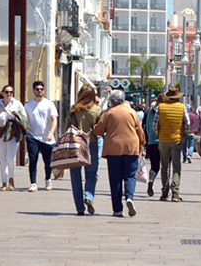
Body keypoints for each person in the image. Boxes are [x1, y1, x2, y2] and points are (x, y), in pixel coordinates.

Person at [93, 89, 146, 218]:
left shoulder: (108, 113)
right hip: (131, 147)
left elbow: (99, 131)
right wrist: (142, 144)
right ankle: (129, 197)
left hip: (113, 148)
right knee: (130, 175)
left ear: (111, 101)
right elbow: (140, 131)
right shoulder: (131, 112)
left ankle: (117, 209)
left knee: (115, 178)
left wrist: (94, 127)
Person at [66, 85, 102, 215]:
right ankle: (89, 196)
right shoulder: (97, 110)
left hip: (76, 144)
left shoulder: (73, 110)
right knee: (91, 175)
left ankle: (79, 208)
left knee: (75, 176)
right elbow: (100, 130)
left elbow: (66, 128)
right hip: (91, 143)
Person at [152, 85, 190, 202]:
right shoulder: (182, 107)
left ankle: (164, 192)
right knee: (176, 166)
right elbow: (187, 124)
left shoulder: (160, 107)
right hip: (177, 140)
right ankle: (175, 193)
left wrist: (158, 135)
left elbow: (155, 124)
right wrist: (184, 135)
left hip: (163, 140)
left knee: (164, 166)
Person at [0, 84, 28, 191]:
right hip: (0, 133)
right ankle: (4, 183)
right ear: (3, 93)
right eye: (6, 92)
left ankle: (11, 179)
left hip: (12, 133)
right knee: (2, 158)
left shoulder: (17, 104)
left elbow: (24, 118)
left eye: (11, 92)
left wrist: (15, 117)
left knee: (11, 158)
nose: (9, 94)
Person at [24, 80, 58, 192]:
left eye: (41, 89)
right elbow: (24, 121)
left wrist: (51, 133)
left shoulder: (49, 104)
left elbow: (54, 120)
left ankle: (48, 180)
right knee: (33, 159)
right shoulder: (28, 106)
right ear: (33, 91)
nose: (39, 91)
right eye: (37, 89)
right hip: (32, 136)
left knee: (48, 161)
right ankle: (33, 183)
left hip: (47, 138)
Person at [143, 93, 164, 197]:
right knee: (165, 166)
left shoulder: (149, 112)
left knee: (154, 166)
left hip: (151, 142)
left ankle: (151, 181)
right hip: (162, 141)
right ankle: (165, 189)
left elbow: (146, 127)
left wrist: (147, 141)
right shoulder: (163, 111)